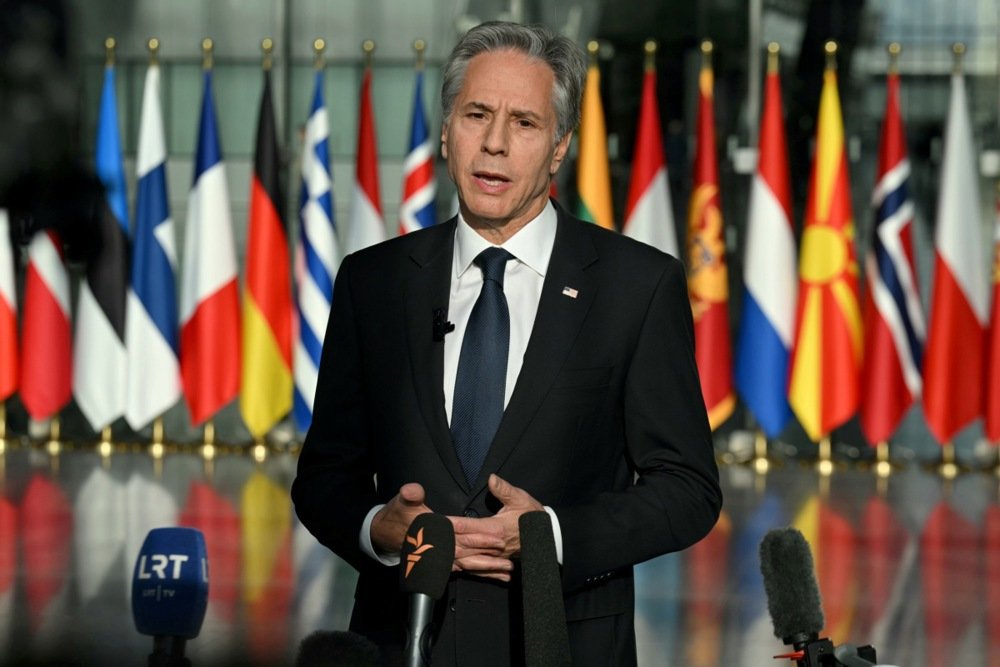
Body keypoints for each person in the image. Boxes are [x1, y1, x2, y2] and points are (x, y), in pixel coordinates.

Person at [292, 20, 722, 666]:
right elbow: (324, 477)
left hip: (564, 645)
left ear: (559, 148)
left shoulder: (637, 285)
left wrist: (550, 535)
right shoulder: (374, 281)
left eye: (524, 123)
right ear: (445, 131)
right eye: (476, 114)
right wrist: (378, 526)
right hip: (403, 641)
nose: (494, 144)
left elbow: (689, 488)